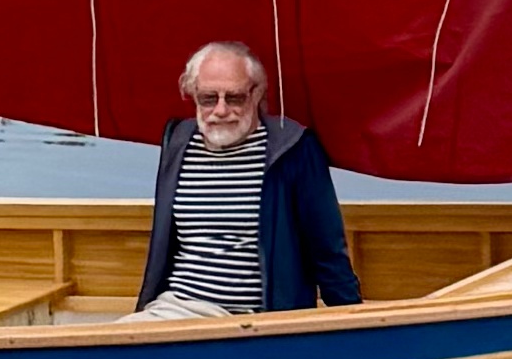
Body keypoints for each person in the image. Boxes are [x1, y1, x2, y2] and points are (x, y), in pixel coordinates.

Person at [133, 40, 360, 319]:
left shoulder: (293, 148)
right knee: (109, 343)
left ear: (256, 93)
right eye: (208, 98)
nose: (220, 110)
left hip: (256, 318)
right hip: (176, 308)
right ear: (193, 95)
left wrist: (352, 321)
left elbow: (327, 249)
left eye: (234, 98)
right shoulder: (178, 142)